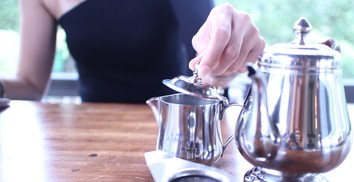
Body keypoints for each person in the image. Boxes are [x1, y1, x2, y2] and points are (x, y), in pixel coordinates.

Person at [0, 0, 265, 103]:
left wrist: (229, 46)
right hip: (87, 141)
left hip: (173, 132)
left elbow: (211, 66)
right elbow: (31, 85)